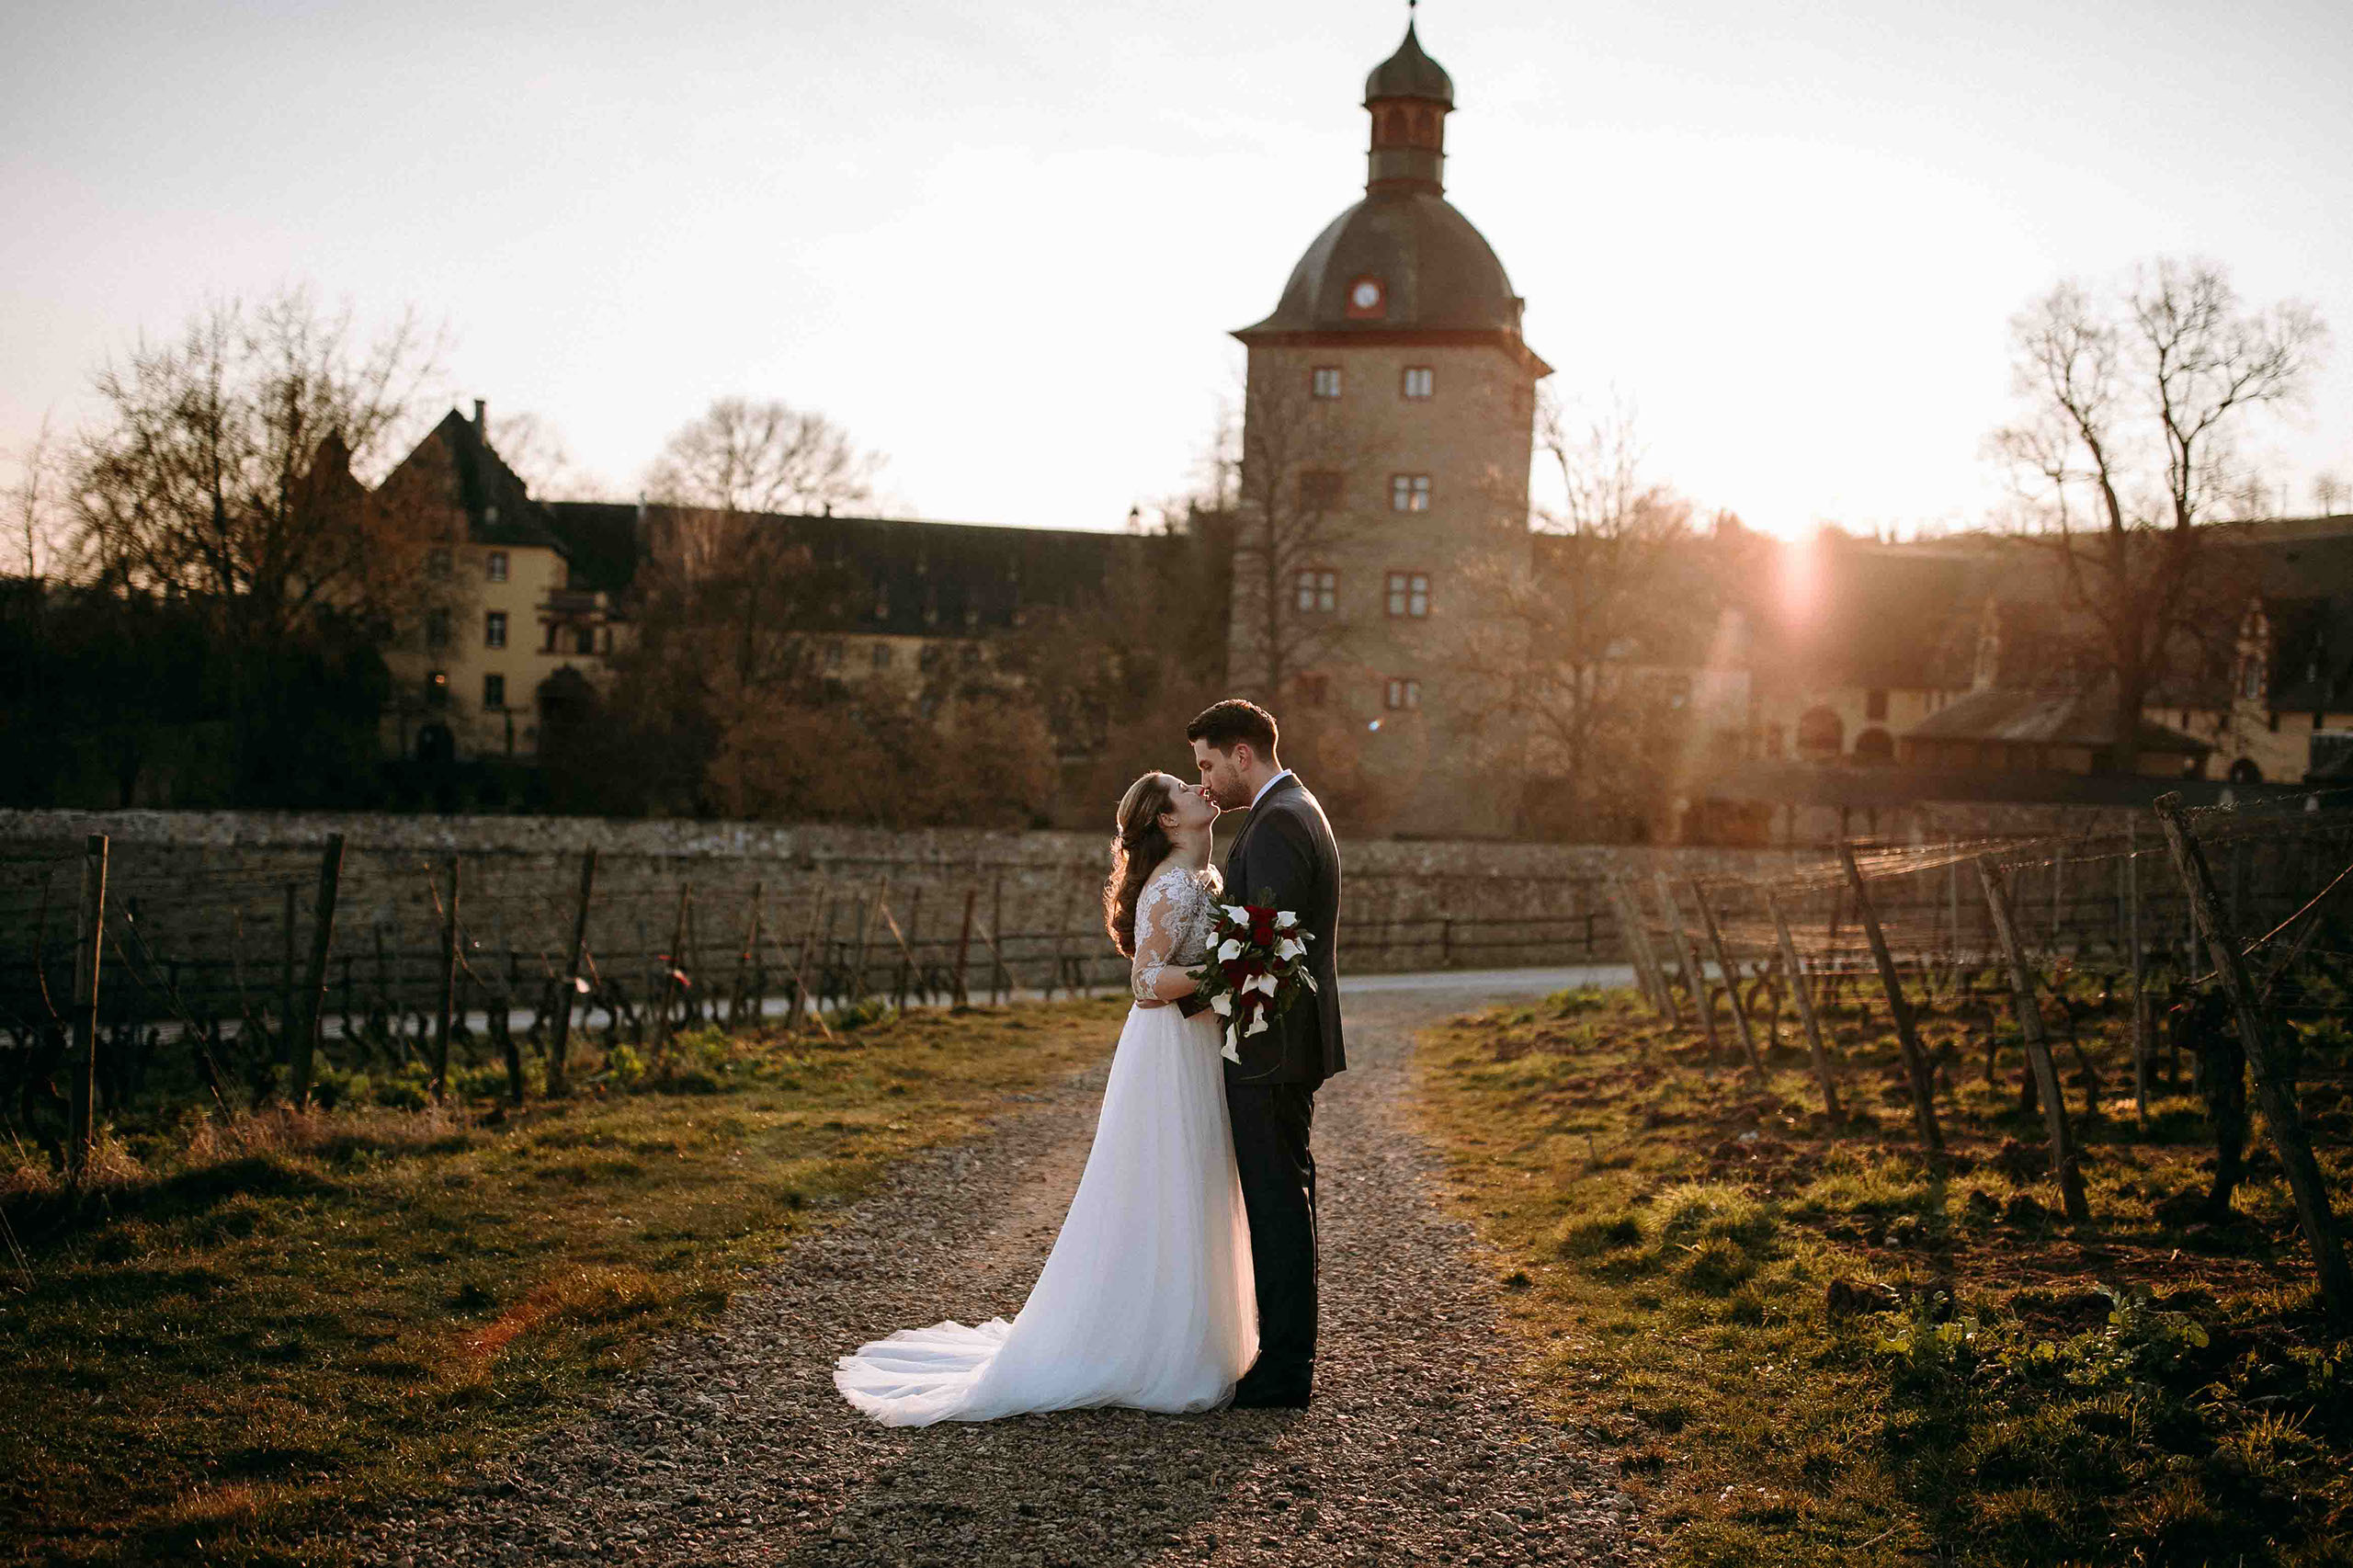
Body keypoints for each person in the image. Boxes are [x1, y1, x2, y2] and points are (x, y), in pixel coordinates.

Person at [833, 771, 1256, 1426]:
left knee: (1197, 1179)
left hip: (1196, 1042)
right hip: (1166, 1049)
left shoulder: (1205, 880)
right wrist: (1226, 970)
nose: (1200, 787)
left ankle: (1195, 1335)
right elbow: (1145, 982)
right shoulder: (1171, 884)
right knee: (1162, 1181)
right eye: (1182, 787)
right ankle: (1151, 1349)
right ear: (1168, 822)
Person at [1186, 698, 1344, 1409]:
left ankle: (1284, 1370)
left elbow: (1264, 949)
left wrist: (1178, 999)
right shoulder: (1294, 809)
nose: (1207, 782)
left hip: (1271, 1046)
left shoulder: (1279, 822)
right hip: (1279, 1044)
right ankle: (1284, 1357)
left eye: (1209, 765)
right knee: (1286, 1196)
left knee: (1277, 1202)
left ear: (1242, 754)